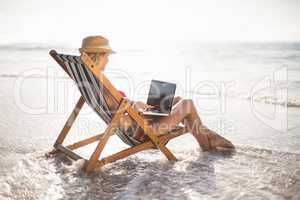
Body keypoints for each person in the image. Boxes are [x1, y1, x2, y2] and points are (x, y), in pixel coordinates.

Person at [79, 35, 234, 151]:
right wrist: (135, 107)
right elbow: (120, 112)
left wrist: (136, 106)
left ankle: (208, 137)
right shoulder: (100, 84)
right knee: (187, 104)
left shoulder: (90, 80)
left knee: (176, 99)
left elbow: (117, 108)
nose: (108, 60)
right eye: (106, 56)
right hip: (143, 132)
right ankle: (206, 144)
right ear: (97, 56)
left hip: (136, 124)